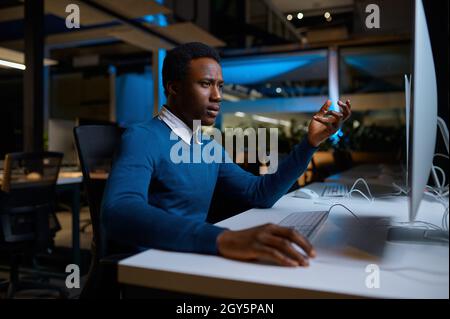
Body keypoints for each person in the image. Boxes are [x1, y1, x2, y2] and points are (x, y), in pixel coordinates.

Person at [102, 42, 351, 267]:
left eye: (219, 86)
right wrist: (222, 238)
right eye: (205, 84)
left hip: (191, 258)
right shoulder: (142, 137)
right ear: (174, 88)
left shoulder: (208, 147)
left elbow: (259, 193)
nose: (218, 96)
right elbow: (120, 209)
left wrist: (310, 143)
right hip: (153, 266)